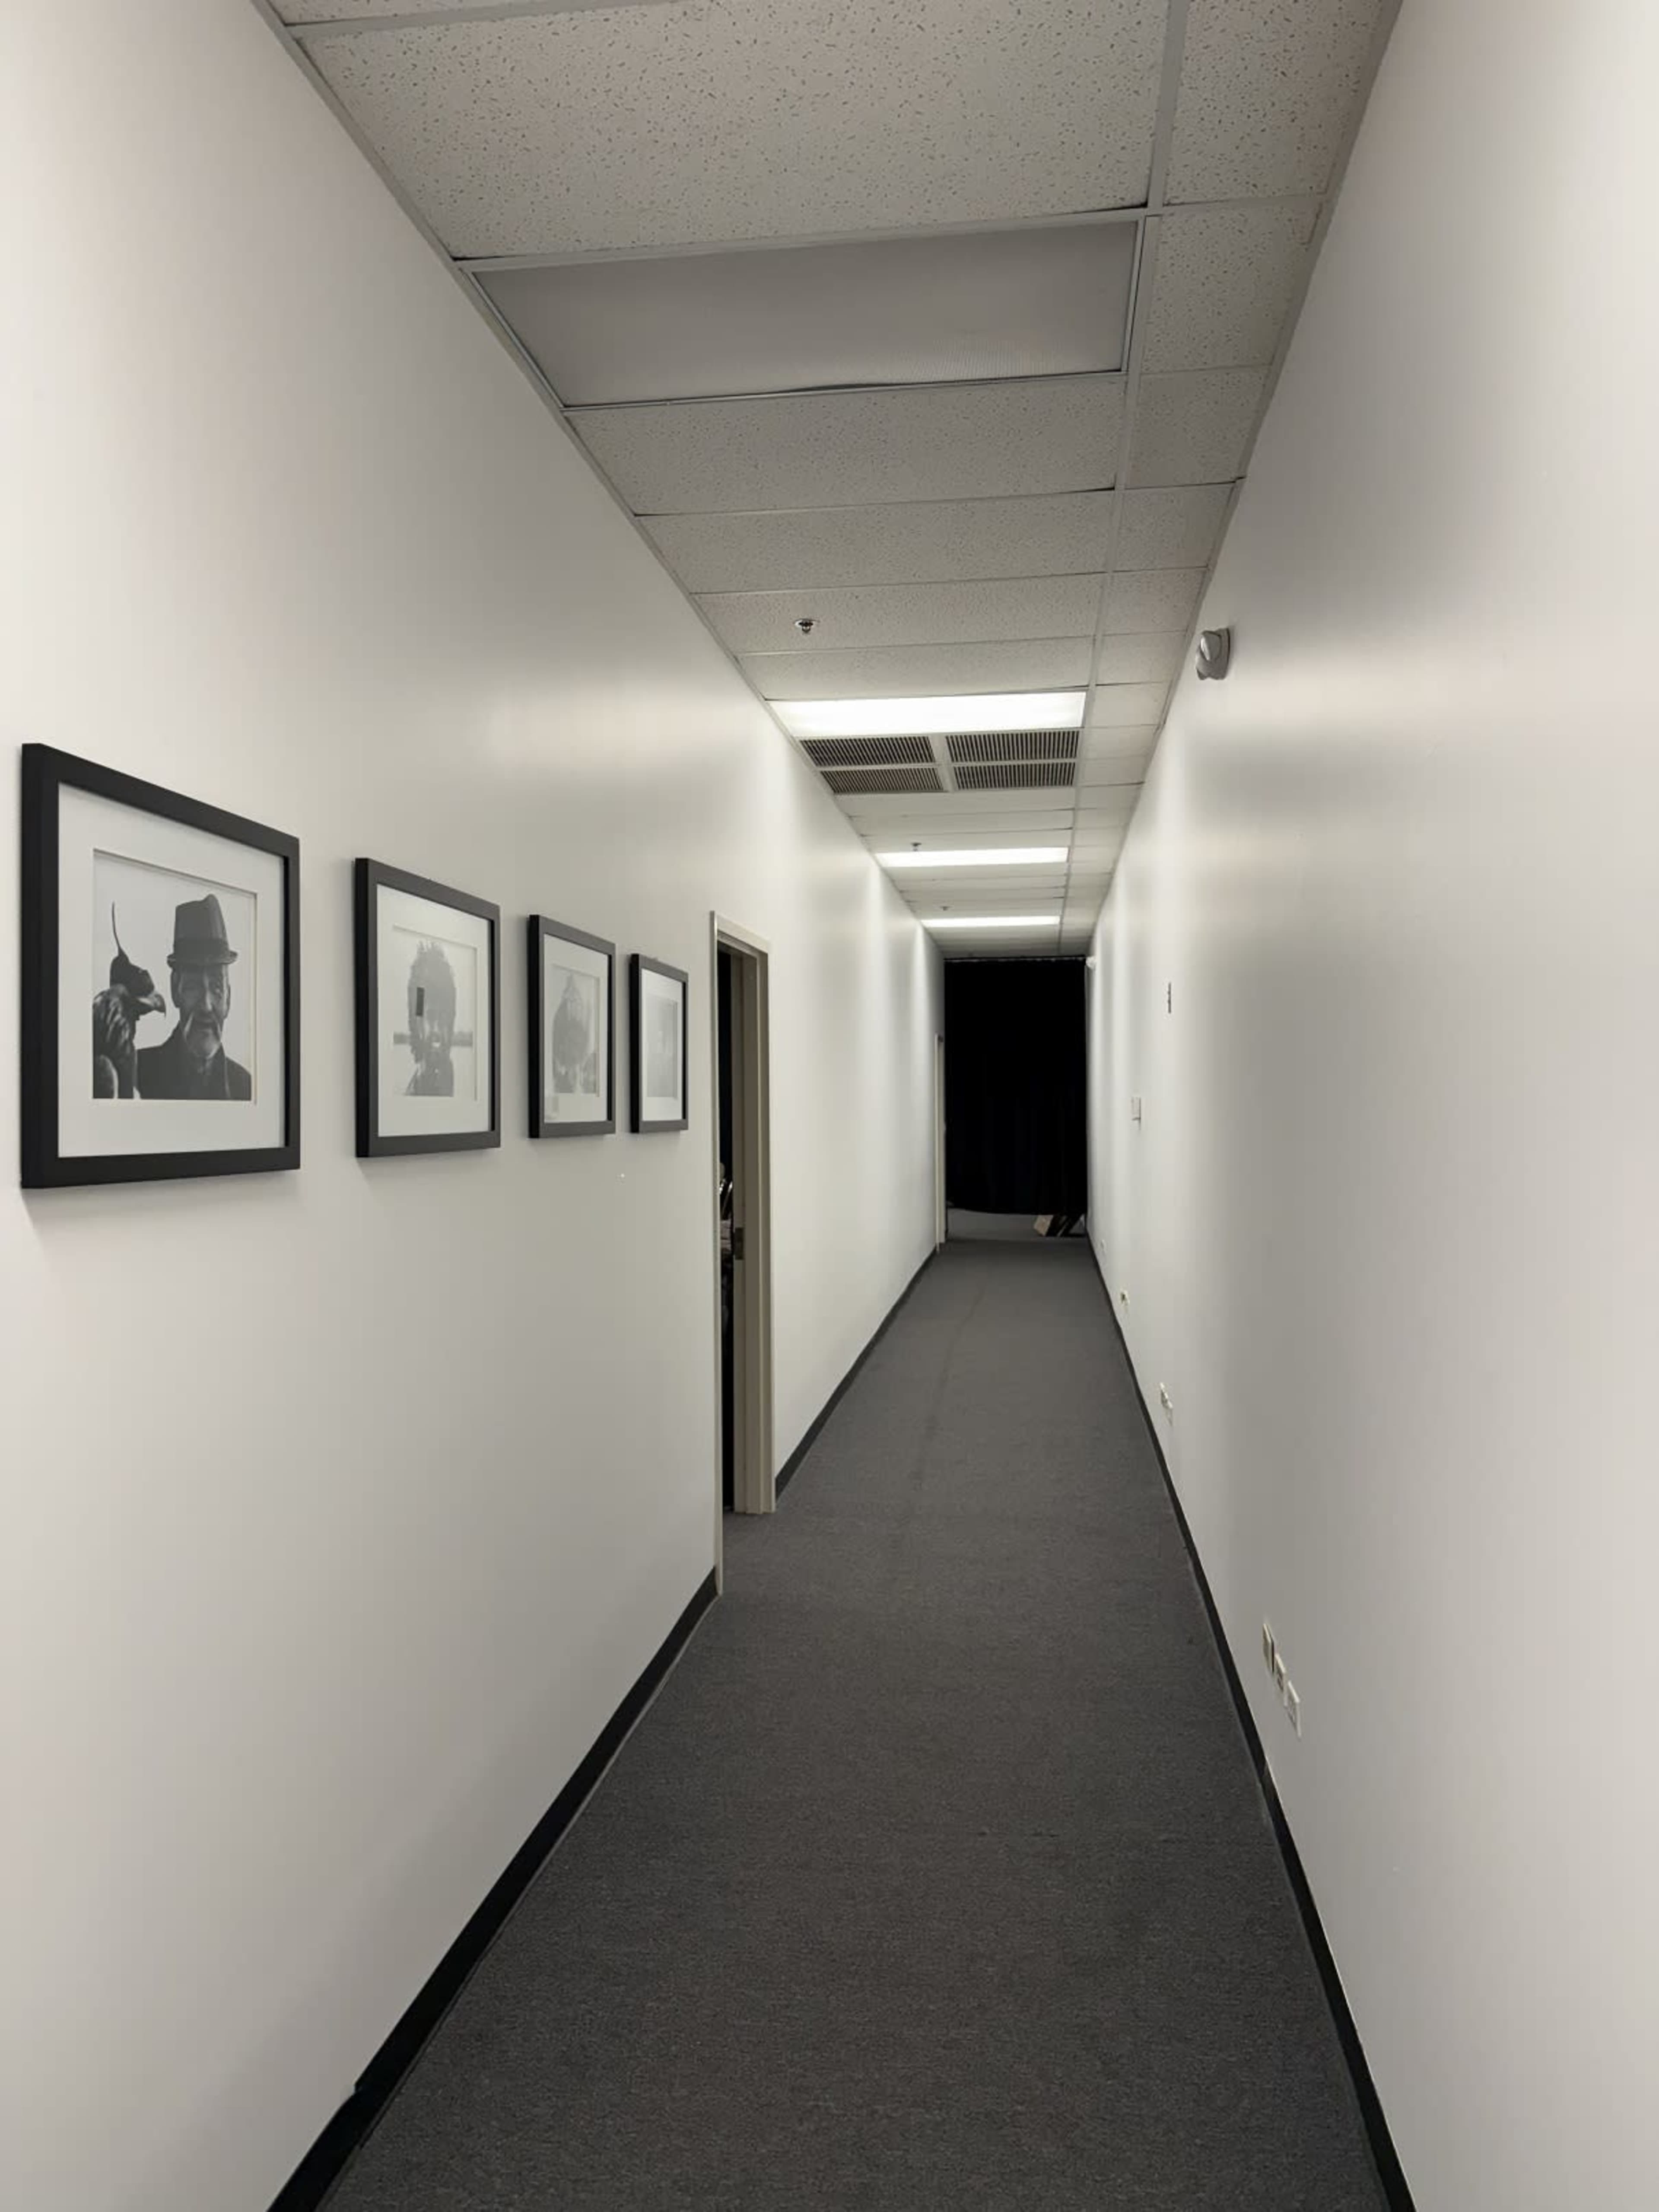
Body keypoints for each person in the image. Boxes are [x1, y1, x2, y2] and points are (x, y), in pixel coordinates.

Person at [133, 893, 252, 1101]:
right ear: (174, 990)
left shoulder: (245, 1087)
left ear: (229, 999)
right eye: (194, 987)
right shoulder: (135, 1076)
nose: (206, 1006)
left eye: (217, 988)